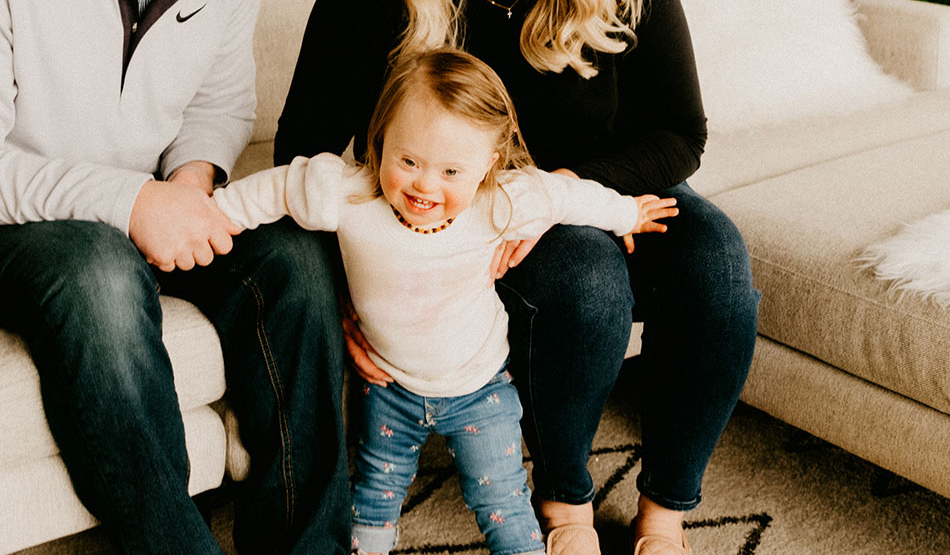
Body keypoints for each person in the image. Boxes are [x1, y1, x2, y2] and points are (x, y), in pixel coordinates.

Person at [275, 0, 761, 555]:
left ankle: (667, 509)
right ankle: (564, 498)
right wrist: (358, 294)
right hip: (470, 218)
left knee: (718, 265)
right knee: (583, 276)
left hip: (601, 185)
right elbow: (304, 151)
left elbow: (681, 133)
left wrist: (569, 188)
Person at [0, 0, 350, 552]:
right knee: (98, 269)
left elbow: (220, 105)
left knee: (296, 259)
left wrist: (190, 185)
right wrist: (134, 204)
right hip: (15, 227)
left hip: (145, 205)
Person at [216, 48, 678, 555]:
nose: (424, 184)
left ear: (489, 166)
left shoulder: (504, 199)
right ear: (380, 139)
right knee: (372, 502)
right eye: (408, 160)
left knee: (502, 500)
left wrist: (627, 214)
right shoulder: (345, 193)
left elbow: (567, 197)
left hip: (479, 389)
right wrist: (209, 215)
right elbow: (275, 190)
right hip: (389, 389)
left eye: (451, 172)